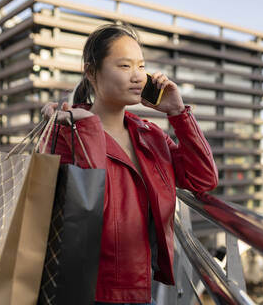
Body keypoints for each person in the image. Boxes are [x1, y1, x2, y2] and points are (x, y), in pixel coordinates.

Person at [41, 23, 218, 305]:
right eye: (124, 66)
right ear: (90, 72)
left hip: (139, 289)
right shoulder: (66, 132)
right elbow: (85, 213)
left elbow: (203, 180)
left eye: (141, 66)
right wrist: (87, 129)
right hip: (86, 292)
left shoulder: (150, 135)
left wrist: (177, 113)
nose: (138, 76)